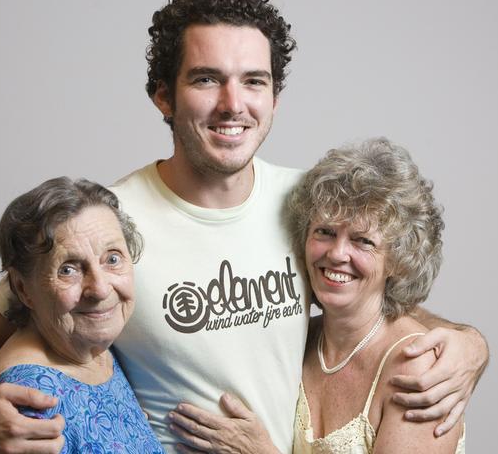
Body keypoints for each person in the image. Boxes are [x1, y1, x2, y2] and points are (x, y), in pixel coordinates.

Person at [0, 0, 488, 454]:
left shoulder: (311, 205)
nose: (232, 103)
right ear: (162, 96)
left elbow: (384, 304)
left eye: (253, 80)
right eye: (205, 79)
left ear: (274, 97)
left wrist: (469, 344)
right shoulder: (108, 226)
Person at [168, 139, 468, 453]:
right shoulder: (299, 339)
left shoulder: (418, 368)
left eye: (362, 241)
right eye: (325, 232)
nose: (337, 254)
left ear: (396, 259)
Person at [0, 177, 163, 453]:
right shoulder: (29, 399)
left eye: (112, 259)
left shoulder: (90, 347)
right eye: (68, 269)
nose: (100, 289)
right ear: (22, 288)